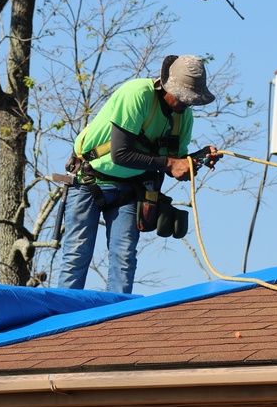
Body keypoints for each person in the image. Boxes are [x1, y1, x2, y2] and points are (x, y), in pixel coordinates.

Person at [56, 54, 221, 293]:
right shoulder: (137, 95)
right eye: (184, 96)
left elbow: (175, 165)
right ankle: (63, 323)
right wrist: (170, 164)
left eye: (192, 99)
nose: (187, 103)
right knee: (76, 255)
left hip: (130, 188)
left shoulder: (183, 117)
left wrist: (196, 159)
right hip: (89, 179)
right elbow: (120, 155)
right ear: (166, 85)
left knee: (124, 259)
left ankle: (116, 321)